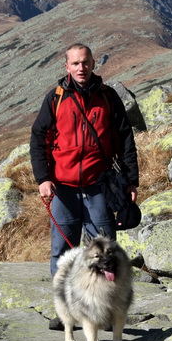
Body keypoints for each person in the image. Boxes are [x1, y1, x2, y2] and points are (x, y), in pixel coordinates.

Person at [30, 43, 139, 277]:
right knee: (62, 253)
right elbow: (38, 138)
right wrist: (43, 179)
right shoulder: (55, 98)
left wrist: (131, 181)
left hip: (99, 186)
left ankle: (102, 305)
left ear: (93, 63)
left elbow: (125, 139)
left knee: (104, 251)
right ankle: (65, 307)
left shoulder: (108, 97)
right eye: (76, 63)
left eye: (86, 62)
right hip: (62, 188)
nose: (82, 68)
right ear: (67, 66)